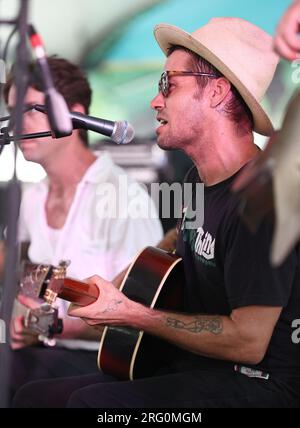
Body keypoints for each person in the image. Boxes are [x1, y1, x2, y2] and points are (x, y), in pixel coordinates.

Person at [13, 17, 300, 408]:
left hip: (258, 384)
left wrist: (135, 314)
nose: (155, 100)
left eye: (169, 84)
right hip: (199, 368)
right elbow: (185, 233)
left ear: (216, 92)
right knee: (36, 396)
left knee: (88, 405)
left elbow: (248, 342)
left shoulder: (263, 200)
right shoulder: (201, 181)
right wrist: (126, 279)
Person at [2, 57, 163, 398]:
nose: (18, 125)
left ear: (75, 116)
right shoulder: (33, 197)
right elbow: (26, 278)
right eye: (12, 111)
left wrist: (48, 327)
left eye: (30, 110)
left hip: (105, 362)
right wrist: (24, 315)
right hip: (46, 351)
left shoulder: (122, 198)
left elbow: (139, 319)